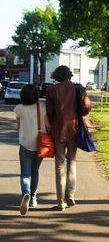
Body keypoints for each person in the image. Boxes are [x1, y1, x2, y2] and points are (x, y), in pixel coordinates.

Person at [46, 65, 92, 211]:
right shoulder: (78, 88)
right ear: (70, 75)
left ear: (56, 76)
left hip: (58, 131)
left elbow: (50, 112)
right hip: (74, 129)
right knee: (71, 161)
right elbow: (87, 106)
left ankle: (60, 202)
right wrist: (80, 115)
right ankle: (70, 194)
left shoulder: (52, 90)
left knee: (59, 165)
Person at [14, 84, 51, 215]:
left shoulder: (18, 109)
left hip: (25, 144)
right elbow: (47, 125)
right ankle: (33, 198)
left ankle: (25, 194)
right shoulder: (40, 107)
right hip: (40, 145)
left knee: (25, 173)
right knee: (35, 171)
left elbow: (19, 126)